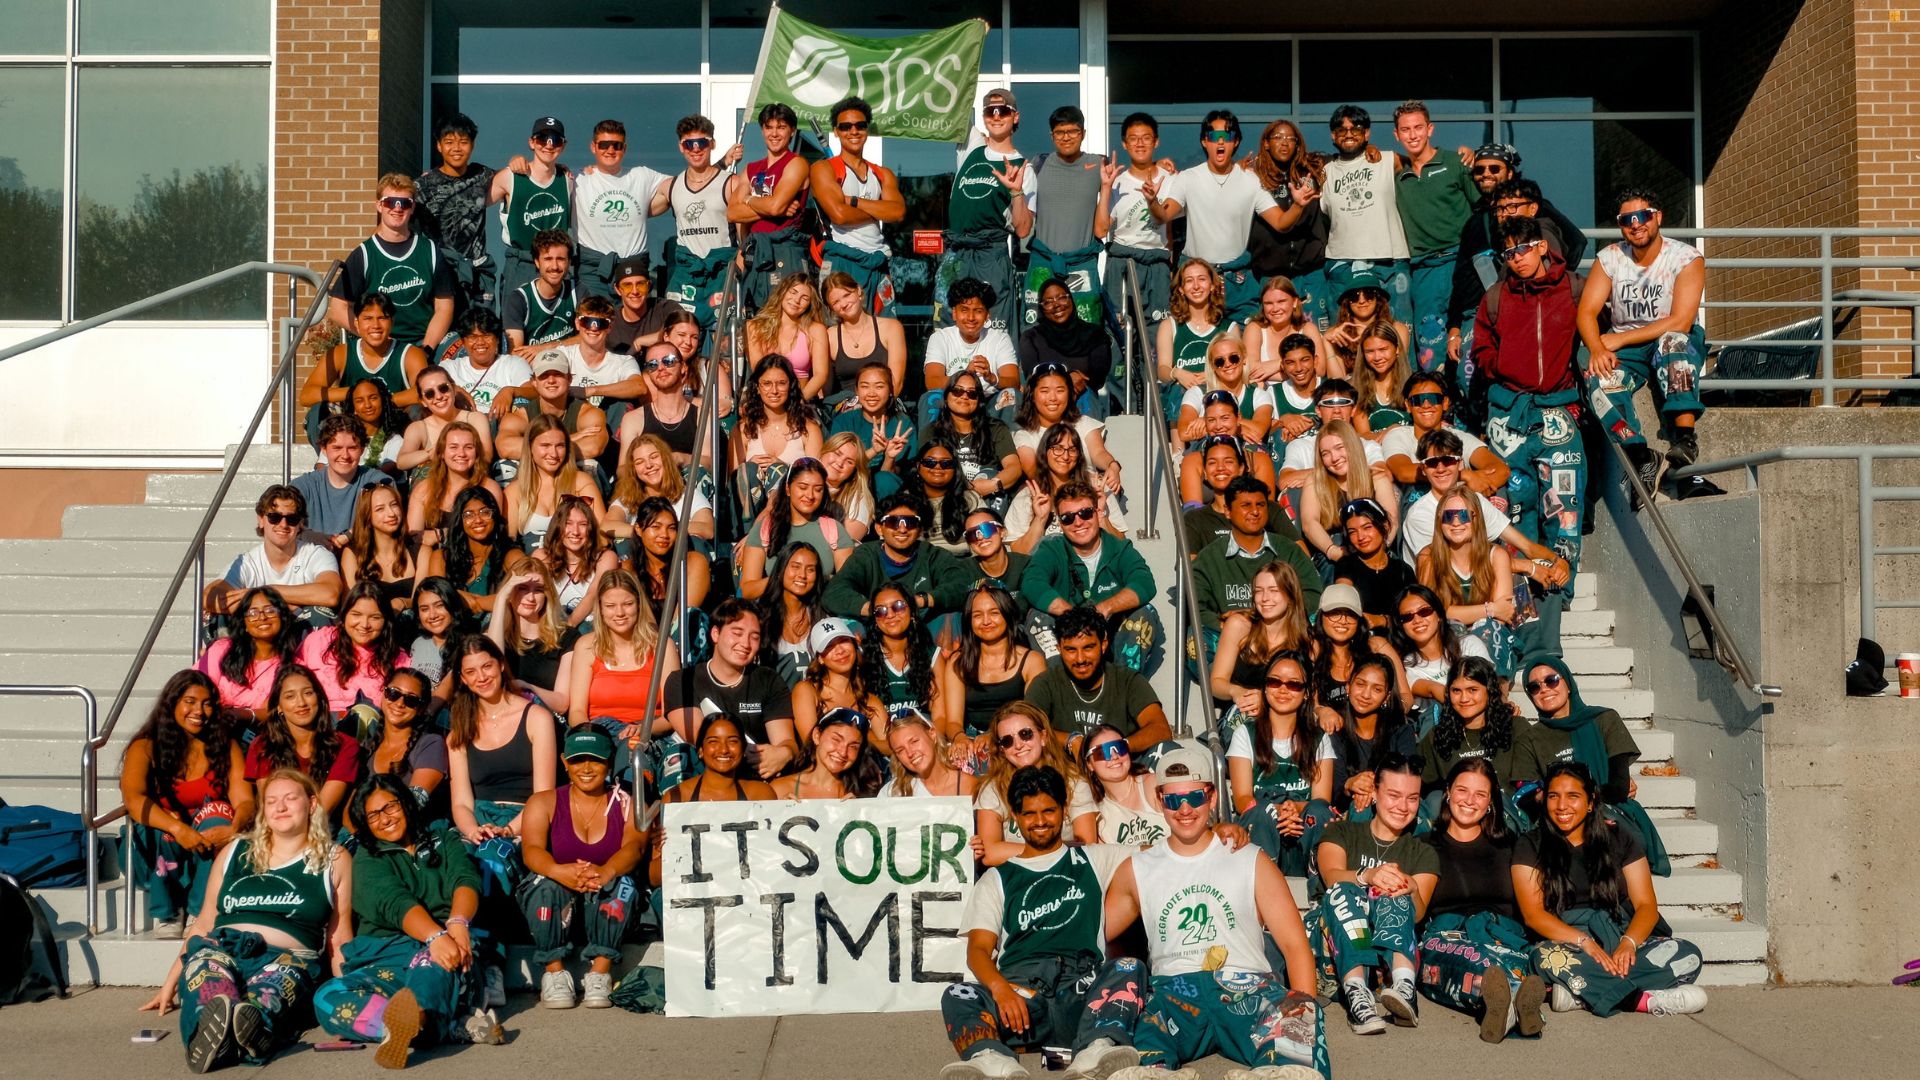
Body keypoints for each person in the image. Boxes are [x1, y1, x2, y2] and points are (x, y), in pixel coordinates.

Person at [1103, 747, 1330, 1080]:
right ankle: (1156, 1072)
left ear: (1211, 796)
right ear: (1159, 799)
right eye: (1172, 799)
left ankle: (1279, 1071)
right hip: (1173, 993)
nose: (1184, 809)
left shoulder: (1249, 857)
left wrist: (1303, 1018)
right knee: (1141, 1030)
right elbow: (1096, 933)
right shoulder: (1136, 868)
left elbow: (1295, 945)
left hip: (1247, 985)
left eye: (1195, 796)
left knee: (1297, 1012)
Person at [940, 764, 1144, 1080]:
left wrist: (1220, 834)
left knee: (1130, 967)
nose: (1039, 822)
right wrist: (1000, 990)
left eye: (1048, 811)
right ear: (1015, 816)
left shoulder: (1093, 857)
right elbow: (978, 950)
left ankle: (1095, 1049)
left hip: (1080, 986)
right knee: (957, 994)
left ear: (1064, 810)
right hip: (1020, 996)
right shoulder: (997, 878)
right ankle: (993, 1060)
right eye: (1029, 814)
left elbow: (1166, 854)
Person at [141, 768, 351, 1073]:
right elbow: (203, 924)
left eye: (291, 799)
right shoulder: (234, 851)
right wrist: (170, 983)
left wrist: (345, 990)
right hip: (221, 948)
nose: (280, 807)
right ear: (263, 810)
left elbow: (339, 935)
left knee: (267, 998)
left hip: (289, 960)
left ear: (312, 804)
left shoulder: (334, 859)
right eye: (271, 801)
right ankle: (214, 1037)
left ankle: (248, 1033)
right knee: (208, 985)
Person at [310, 774, 499, 1064]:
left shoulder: (443, 839)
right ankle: (419, 1026)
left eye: (390, 807)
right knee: (327, 996)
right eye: (373, 815)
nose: (384, 819)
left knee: (431, 962)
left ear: (407, 804)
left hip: (446, 951)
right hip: (389, 961)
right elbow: (394, 903)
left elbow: (465, 879)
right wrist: (434, 936)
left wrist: (457, 924)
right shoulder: (366, 859)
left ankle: (417, 1019)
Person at [1473, 216, 1587, 648]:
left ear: (1542, 247)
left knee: (1564, 511)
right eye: (1508, 253)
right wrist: (1497, 368)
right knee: (1512, 513)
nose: (1516, 258)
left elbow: (1599, 326)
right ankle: (1520, 616)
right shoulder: (1497, 296)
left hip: (1557, 411)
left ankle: (1559, 598)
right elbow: (1482, 345)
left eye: (1523, 249)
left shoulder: (1573, 287)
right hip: (1509, 414)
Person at [1514, 763, 1707, 1017]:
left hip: (1618, 934)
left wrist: (1628, 944)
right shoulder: (1529, 845)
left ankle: (1580, 994)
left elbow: (1646, 906)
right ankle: (1643, 1001)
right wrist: (1585, 943)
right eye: (1553, 796)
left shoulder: (1619, 838)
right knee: (1545, 958)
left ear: (1591, 801)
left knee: (1688, 954)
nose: (1562, 806)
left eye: (1573, 796)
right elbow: (1534, 915)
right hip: (1567, 942)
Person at [1578, 188, 1709, 497]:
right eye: (1627, 219)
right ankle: (1640, 455)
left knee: (1673, 343)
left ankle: (1685, 439)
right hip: (1630, 350)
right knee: (1596, 377)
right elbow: (1586, 310)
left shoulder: (1685, 257)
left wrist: (1615, 339)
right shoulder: (1610, 258)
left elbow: (1681, 321)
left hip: (1671, 337)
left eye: (1643, 216)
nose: (1636, 224)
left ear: (1658, 217)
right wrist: (1597, 349)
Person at [1416, 757, 1546, 1043]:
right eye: (1462, 790)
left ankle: (1508, 1005)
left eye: (1480, 794)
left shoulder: (1510, 845)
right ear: (1447, 792)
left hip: (1501, 936)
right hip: (1446, 938)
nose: (1469, 800)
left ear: (1490, 802)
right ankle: (1513, 1005)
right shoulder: (1424, 845)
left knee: (1503, 960)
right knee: (1472, 962)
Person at [1313, 752, 1441, 1035]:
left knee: (1396, 890)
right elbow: (1331, 876)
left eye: (1412, 798)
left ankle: (1405, 989)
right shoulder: (1343, 832)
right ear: (1374, 793)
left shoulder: (1423, 852)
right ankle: (1358, 995)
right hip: (1340, 942)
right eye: (1394, 795)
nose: (1403, 806)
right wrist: (1367, 875)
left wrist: (1412, 887)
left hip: (1389, 950)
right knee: (1345, 890)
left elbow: (1419, 913)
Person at [518, 727, 645, 1009]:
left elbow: (633, 847)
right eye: (577, 760)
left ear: (610, 762)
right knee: (543, 884)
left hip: (604, 906)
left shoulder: (628, 804)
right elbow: (532, 851)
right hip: (559, 907)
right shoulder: (544, 801)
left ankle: (599, 973)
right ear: (564, 761)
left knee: (623, 884)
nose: (586, 768)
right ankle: (554, 973)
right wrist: (558, 871)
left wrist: (606, 871)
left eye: (596, 760)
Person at [1154, 109, 1316, 325]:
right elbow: (1163, 215)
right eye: (1213, 136)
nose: (1220, 142)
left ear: (1236, 141)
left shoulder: (1250, 180)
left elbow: (1280, 222)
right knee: (1196, 350)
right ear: (1204, 141)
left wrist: (1297, 205)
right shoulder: (1188, 178)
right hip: (1197, 280)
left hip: (1238, 282)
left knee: (1245, 350)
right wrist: (1151, 200)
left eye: (1227, 136)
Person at [121, 671, 252, 938]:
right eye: (190, 701)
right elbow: (134, 800)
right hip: (159, 845)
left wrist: (235, 827)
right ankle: (167, 912)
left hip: (206, 842)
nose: (199, 711)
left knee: (220, 813)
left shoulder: (225, 746)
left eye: (207, 703)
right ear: (172, 704)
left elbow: (245, 800)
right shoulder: (145, 747)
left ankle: (199, 911)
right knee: (163, 823)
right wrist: (179, 829)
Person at [445, 635, 561, 900]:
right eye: (471, 672)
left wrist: (509, 830)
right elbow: (461, 802)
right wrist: (473, 830)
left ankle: (491, 934)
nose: (481, 677)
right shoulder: (459, 731)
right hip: (479, 820)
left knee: (494, 853)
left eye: (487, 667)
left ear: (500, 665)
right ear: (462, 679)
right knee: (455, 856)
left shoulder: (537, 718)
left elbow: (543, 795)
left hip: (525, 819)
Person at [1398, 432, 1572, 596]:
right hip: (1443, 591)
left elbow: (1525, 545)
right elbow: (1452, 564)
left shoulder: (1476, 501)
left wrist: (1556, 561)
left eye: (1448, 460)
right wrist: (1528, 567)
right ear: (1423, 469)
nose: (1441, 468)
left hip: (1479, 584)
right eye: (1432, 463)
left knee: (1549, 579)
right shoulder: (1419, 514)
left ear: (1460, 464)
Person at [663, 598, 800, 781]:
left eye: (755, 637)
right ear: (715, 634)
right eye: (737, 633)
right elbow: (701, 740)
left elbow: (786, 741)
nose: (746, 643)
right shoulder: (683, 680)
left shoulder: (769, 680)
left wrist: (784, 753)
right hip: (706, 775)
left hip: (757, 777)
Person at [1387, 102, 1477, 373]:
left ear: (1430, 129)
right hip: (1424, 269)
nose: (1412, 135)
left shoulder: (1455, 162)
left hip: (1461, 262)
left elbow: (1481, 209)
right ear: (1397, 135)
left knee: (1468, 337)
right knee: (1429, 344)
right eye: (1405, 130)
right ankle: (1436, 405)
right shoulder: (1396, 174)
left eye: (1418, 128)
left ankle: (1468, 408)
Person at [1227, 649, 1333, 877]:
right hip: (1263, 826)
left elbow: (1322, 799)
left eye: (1294, 684)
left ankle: (1318, 890)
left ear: (1306, 692)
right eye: (1274, 682)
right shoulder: (1245, 734)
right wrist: (1277, 811)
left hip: (1301, 824)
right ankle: (1259, 888)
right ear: (1265, 687)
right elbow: (1242, 800)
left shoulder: (1319, 739)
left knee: (1321, 812)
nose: (1283, 689)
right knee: (1259, 811)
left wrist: (1293, 810)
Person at [329, 173, 456, 356]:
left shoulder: (430, 251)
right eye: (390, 202)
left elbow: (444, 307)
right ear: (379, 205)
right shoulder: (364, 254)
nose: (397, 208)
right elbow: (338, 309)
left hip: (423, 342)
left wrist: (426, 349)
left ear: (412, 207)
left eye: (404, 203)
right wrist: (373, 336)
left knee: (461, 351)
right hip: (381, 346)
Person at [1023, 606, 1171, 754]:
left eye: (1088, 648)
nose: (1080, 659)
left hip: (1120, 768)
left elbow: (1161, 730)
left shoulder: (1128, 680)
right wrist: (1070, 740)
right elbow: (1025, 730)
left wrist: (1114, 748)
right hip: (1067, 772)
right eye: (1071, 650)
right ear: (1059, 649)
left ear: (1103, 645)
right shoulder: (1046, 683)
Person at [943, 89, 1030, 332]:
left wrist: (1016, 191)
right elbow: (951, 98)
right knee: (948, 325)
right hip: (957, 252)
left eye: (1002, 110)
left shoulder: (1024, 167)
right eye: (989, 111)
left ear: (1015, 116)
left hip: (990, 257)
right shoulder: (972, 145)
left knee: (992, 328)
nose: (996, 116)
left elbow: (1023, 230)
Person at [811, 96, 904, 320]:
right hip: (842, 261)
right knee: (839, 334)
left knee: (882, 332)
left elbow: (898, 213)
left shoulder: (883, 173)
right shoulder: (824, 168)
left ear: (867, 129)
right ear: (836, 131)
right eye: (845, 126)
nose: (853, 131)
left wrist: (853, 201)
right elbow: (839, 215)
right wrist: (879, 209)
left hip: (877, 262)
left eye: (860, 125)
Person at [1192, 475, 1321, 636]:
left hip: (1284, 641)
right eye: (1245, 505)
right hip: (1228, 642)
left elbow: (1313, 596)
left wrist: (1261, 621)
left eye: (1260, 505)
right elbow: (1196, 608)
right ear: (1228, 511)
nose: (1254, 512)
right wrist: (1230, 626)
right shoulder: (1209, 558)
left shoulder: (1290, 551)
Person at [973, 702, 1098, 865]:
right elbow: (990, 854)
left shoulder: (1074, 782)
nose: (1018, 745)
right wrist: (1057, 849)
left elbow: (1087, 847)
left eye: (1025, 734)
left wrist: (1010, 850)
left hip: (1064, 871)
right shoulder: (993, 787)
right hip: (1015, 878)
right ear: (1002, 750)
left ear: (1044, 737)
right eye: (1007, 741)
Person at [1321, 105, 1413, 327]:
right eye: (1342, 130)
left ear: (1367, 133)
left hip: (1388, 262)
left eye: (1356, 128)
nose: (1349, 134)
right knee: (1344, 337)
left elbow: (1422, 160)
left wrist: (1465, 154)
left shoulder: (1387, 160)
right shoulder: (1324, 171)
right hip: (1342, 263)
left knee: (1397, 335)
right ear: (1333, 136)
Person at [821, 489, 973, 622]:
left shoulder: (933, 555)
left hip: (921, 629)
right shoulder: (866, 555)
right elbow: (834, 593)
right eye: (893, 522)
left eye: (911, 522)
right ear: (880, 529)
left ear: (920, 530)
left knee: (950, 617)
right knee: (848, 623)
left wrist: (919, 601)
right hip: (876, 628)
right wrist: (878, 608)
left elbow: (962, 587)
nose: (902, 529)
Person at [1022, 105, 1109, 336]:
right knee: (1035, 329)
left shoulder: (1099, 164)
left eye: (1073, 131)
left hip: (1082, 263)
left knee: (1087, 330)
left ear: (1083, 133)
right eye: (1060, 132)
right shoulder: (1039, 164)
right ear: (1052, 136)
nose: (1066, 137)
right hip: (1044, 263)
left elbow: (1101, 229)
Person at [204, 488, 344, 629]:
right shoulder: (247, 562)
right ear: (261, 520)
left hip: (302, 642)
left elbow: (330, 594)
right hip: (257, 640)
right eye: (274, 518)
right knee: (217, 619)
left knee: (319, 613)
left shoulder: (316, 554)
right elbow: (209, 597)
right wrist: (282, 607)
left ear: (300, 524)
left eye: (292, 519)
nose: (283, 525)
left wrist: (263, 593)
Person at [1417, 484, 1520, 674]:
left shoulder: (1496, 555)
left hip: (1489, 637)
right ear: (1440, 520)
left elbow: (1501, 616)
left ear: (1476, 518)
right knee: (1452, 630)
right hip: (1449, 637)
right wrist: (1489, 608)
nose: (1456, 522)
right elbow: (1429, 612)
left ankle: (1495, 699)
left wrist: (1454, 612)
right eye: (1449, 516)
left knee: (1489, 631)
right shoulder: (1428, 557)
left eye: (1463, 515)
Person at [301, 293, 429, 446]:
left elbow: (423, 392)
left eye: (382, 318)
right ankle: (330, 464)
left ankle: (410, 466)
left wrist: (381, 402)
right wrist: (355, 395)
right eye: (368, 318)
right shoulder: (341, 353)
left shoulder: (410, 353)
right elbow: (306, 395)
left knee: (419, 409)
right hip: (352, 428)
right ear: (356, 322)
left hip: (394, 426)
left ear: (392, 321)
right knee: (317, 412)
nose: (375, 325)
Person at [938, 586, 1047, 764]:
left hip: (1016, 739)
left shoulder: (1031, 660)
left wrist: (994, 736)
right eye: (977, 615)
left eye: (994, 612)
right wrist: (959, 737)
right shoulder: (958, 661)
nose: (986, 621)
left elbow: (1032, 717)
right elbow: (953, 721)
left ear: (1007, 614)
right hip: (971, 738)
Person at [1242, 119, 1331, 330]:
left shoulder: (1313, 170)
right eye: (1278, 137)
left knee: (1315, 337)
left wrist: (1370, 148)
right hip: (1269, 276)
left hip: (1311, 274)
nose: (1285, 143)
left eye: (1291, 139)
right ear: (1265, 143)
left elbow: (1349, 157)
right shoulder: (1252, 177)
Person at [245, 665, 363, 823]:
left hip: (325, 830)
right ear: (279, 706)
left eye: (308, 693)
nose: (301, 703)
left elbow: (323, 809)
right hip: (280, 829)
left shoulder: (345, 746)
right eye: (290, 696)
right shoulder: (262, 747)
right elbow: (272, 807)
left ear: (319, 698)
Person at [658, 114, 743, 333]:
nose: (696, 149)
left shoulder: (731, 183)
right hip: (687, 276)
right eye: (689, 143)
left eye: (702, 142)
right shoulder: (671, 185)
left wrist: (738, 272)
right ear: (681, 146)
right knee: (679, 340)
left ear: (712, 144)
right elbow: (636, 212)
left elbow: (745, 239)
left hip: (722, 273)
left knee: (723, 343)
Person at [568, 119, 671, 299]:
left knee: (635, 326)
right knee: (593, 326)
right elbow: (542, 178)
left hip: (634, 274)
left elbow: (685, 188)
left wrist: (720, 166)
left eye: (616, 145)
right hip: (593, 273)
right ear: (593, 147)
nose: (610, 150)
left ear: (624, 148)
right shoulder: (577, 178)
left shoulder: (642, 175)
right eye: (604, 145)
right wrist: (519, 162)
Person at [730, 102, 814, 314]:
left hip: (786, 251)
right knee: (755, 322)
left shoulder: (796, 163)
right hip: (756, 252)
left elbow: (776, 206)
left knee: (789, 321)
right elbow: (732, 212)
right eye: (769, 127)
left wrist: (748, 199)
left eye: (781, 127)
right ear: (762, 130)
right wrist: (770, 206)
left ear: (792, 131)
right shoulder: (750, 169)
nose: (774, 133)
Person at [1415, 656, 1532, 805]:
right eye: (1456, 690)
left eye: (1472, 690)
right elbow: (1413, 780)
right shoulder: (1438, 735)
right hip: (1458, 818)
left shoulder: (1515, 727)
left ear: (1489, 690)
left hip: (1504, 817)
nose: (1464, 698)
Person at [1210, 560, 1314, 724]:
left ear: (1290, 596)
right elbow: (1216, 682)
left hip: (1285, 719)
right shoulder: (1240, 625)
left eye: (1274, 590)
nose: (1265, 598)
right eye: (1259, 591)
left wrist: (1266, 699)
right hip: (1243, 713)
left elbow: (1309, 695)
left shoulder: (1306, 641)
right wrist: (1237, 692)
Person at [415, 113, 498, 315]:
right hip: (441, 274)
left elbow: (515, 181)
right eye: (449, 142)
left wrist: (558, 167)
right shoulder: (423, 186)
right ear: (439, 146)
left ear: (472, 145)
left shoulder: (483, 175)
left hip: (478, 275)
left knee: (482, 336)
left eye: (463, 142)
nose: (456, 148)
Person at [1101, 111, 1176, 330]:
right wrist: (1106, 187)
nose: (1140, 144)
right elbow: (1100, 229)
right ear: (1124, 144)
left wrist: (1170, 265)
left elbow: (1168, 229)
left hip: (1157, 264)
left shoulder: (1171, 180)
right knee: (1120, 331)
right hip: (1123, 262)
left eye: (1146, 138)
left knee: (1157, 332)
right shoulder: (1117, 182)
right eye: (1133, 138)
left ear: (1156, 141)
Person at [296, 579, 408, 721]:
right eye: (356, 614)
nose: (365, 624)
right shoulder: (318, 641)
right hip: (315, 725)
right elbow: (291, 681)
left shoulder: (399, 659)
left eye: (375, 617)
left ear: (386, 621)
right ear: (344, 615)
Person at [739, 458, 853, 598]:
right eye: (803, 487)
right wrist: (785, 579)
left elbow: (847, 586)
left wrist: (816, 580)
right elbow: (747, 590)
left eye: (818, 489)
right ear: (788, 488)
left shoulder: (834, 530)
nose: (810, 495)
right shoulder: (765, 529)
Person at [1381, 372, 1507, 497]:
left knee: (1500, 493)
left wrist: (1464, 491)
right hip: (1416, 507)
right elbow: (1403, 471)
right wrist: (1466, 475)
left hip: (1459, 509)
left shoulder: (1460, 438)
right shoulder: (1398, 436)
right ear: (1408, 405)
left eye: (1433, 398)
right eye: (1417, 400)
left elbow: (1501, 470)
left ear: (1445, 403)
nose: (1426, 405)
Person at [1006, 423, 1127, 552]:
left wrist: (1100, 514)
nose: (1065, 456)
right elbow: (1019, 553)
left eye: (1072, 450)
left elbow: (1120, 543)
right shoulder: (1030, 494)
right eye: (1058, 448)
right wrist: (1039, 519)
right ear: (1044, 452)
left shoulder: (1097, 488)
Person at [490, 116, 573, 300]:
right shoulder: (510, 177)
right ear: (532, 142)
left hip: (556, 266)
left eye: (556, 140)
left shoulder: (567, 181)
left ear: (563, 145)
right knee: (514, 324)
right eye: (543, 138)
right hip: (522, 263)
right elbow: (475, 198)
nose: (549, 145)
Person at [731, 354, 825, 518]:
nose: (774, 390)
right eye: (767, 383)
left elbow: (816, 481)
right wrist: (750, 470)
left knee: (779, 469)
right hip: (751, 511)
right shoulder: (742, 429)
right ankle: (750, 534)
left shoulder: (809, 429)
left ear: (791, 386)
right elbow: (731, 482)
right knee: (747, 470)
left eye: (781, 383)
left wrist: (785, 469)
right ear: (757, 388)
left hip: (790, 511)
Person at [923, 278, 1021, 429]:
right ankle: (932, 450)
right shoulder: (940, 338)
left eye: (978, 311)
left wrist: (991, 377)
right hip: (953, 404)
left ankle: (1008, 451)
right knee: (931, 398)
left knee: (1011, 395)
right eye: (964, 310)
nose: (970, 317)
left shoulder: (1000, 339)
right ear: (954, 313)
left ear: (987, 315)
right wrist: (965, 375)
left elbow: (1014, 381)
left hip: (988, 405)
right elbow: (932, 382)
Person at [1300, 420, 1399, 570]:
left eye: (1340, 448)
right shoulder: (1314, 482)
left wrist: (1376, 550)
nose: (1334, 458)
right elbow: (1309, 523)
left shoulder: (1377, 478)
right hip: (1333, 552)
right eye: (1325, 454)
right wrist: (1332, 551)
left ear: (1352, 446)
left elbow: (1391, 520)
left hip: (1376, 548)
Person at [1325, 655, 1416, 815]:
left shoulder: (1401, 731)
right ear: (1348, 686)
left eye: (1377, 689)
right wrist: (1350, 785)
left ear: (1387, 696)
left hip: (1393, 810)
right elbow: (1333, 791)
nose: (1366, 695)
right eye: (1360, 684)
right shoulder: (1335, 729)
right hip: (1346, 815)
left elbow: (1406, 780)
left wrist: (1372, 790)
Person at [1393, 584, 1489, 735]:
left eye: (1424, 611)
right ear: (1401, 625)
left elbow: (1490, 686)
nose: (1417, 620)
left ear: (1438, 614)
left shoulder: (1469, 644)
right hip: (1442, 732)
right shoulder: (1406, 666)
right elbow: (1433, 690)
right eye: (1407, 617)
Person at [1012, 362, 1123, 492]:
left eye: (1060, 391)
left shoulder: (1084, 423)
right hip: (1049, 493)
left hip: (1088, 489)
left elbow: (1099, 453)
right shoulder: (1024, 435)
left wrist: (1112, 465)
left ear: (1070, 394)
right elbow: (1032, 468)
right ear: (1032, 396)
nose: (1052, 398)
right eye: (1044, 391)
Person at [488, 562, 581, 716]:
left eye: (538, 590)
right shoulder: (494, 634)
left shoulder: (567, 637)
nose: (530, 597)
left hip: (546, 718)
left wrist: (527, 688)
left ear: (547, 595)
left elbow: (562, 703)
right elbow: (492, 667)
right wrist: (500, 599)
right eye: (522, 588)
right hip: (503, 717)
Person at [196, 587, 300, 724]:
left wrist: (240, 714)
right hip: (212, 724)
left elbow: (274, 710)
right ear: (244, 623)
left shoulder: (294, 666)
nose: (262, 617)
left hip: (260, 733)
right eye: (252, 613)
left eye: (270, 611)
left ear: (282, 618)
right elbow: (197, 689)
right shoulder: (222, 649)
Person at [505, 413, 605, 553]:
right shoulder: (514, 491)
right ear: (530, 447)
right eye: (545, 445)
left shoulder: (581, 482)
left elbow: (603, 537)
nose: (553, 454)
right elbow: (507, 545)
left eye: (560, 446)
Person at [360, 669, 451, 823]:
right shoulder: (366, 748)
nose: (400, 703)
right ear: (383, 693)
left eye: (411, 700)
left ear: (422, 707)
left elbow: (413, 805)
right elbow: (350, 811)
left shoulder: (430, 745)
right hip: (366, 835)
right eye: (394, 693)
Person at [1155, 258, 1234, 435]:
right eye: (1189, 281)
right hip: (1182, 393)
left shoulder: (1228, 327)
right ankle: (1177, 456)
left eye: (1202, 279)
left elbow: (1237, 369)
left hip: (1217, 389)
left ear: (1213, 285)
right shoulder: (1170, 325)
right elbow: (1162, 370)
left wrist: (1212, 376)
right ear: (1181, 289)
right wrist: (1177, 373)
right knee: (1178, 390)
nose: (1196, 286)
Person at [927, 369, 1022, 510]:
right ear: (947, 396)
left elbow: (1014, 467)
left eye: (972, 393)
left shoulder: (994, 428)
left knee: (991, 474)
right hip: (948, 501)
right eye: (958, 391)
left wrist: (992, 485)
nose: (964, 397)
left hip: (986, 500)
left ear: (979, 400)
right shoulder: (932, 431)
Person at [294, 416, 396, 548]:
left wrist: (349, 536)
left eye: (352, 448)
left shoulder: (379, 482)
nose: (345, 455)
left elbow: (389, 522)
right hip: (314, 562)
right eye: (337, 448)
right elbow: (277, 521)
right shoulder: (304, 486)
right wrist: (304, 534)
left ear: (362, 450)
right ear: (324, 449)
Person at [1181, 435, 1298, 550]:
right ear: (1205, 473)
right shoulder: (1194, 519)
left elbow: (1301, 556)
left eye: (1228, 461)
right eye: (1212, 463)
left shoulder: (1268, 509)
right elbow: (1192, 565)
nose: (1220, 467)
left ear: (1241, 468)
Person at [494, 350, 609, 466]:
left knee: (589, 464)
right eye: (544, 375)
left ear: (569, 379)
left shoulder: (587, 412)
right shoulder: (521, 415)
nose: (551, 380)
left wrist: (540, 449)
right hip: (532, 477)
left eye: (558, 374)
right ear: (534, 382)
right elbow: (505, 447)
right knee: (505, 466)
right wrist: (569, 439)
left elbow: (594, 447)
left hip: (573, 476)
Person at [1312, 583, 1409, 718]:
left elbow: (1405, 695)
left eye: (1350, 615)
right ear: (1321, 617)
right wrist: (1321, 712)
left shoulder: (1376, 646)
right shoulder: (1313, 650)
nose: (1343, 621)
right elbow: (1313, 704)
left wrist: (1392, 715)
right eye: (1334, 613)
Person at [1020, 278, 1112, 418]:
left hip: (1082, 400)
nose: (1056, 305)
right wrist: (1067, 379)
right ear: (1041, 307)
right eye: (1048, 302)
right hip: (1045, 404)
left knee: (1087, 396)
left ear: (1071, 299)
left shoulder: (1094, 334)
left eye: (1062, 298)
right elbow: (1033, 377)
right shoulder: (1031, 337)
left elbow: (1097, 377)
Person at [1276, 379, 1386, 495]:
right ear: (1318, 411)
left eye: (1343, 403)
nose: (1337, 411)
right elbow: (1285, 481)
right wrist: (1352, 471)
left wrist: (1314, 477)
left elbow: (1383, 474)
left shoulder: (1367, 445)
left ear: (1353, 410)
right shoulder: (1301, 445)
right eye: (1329, 404)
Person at [423, 485, 517, 616]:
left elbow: (522, 598)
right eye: (469, 515)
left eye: (485, 512)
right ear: (459, 520)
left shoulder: (511, 554)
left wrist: (470, 601)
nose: (478, 520)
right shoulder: (442, 557)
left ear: (494, 515)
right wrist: (490, 602)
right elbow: (436, 597)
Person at [791, 617, 886, 745]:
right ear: (820, 659)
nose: (840, 651)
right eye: (829, 646)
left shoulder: (868, 700)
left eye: (844, 641)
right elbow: (813, 744)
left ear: (854, 644)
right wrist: (868, 737)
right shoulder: (806, 690)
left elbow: (892, 745)